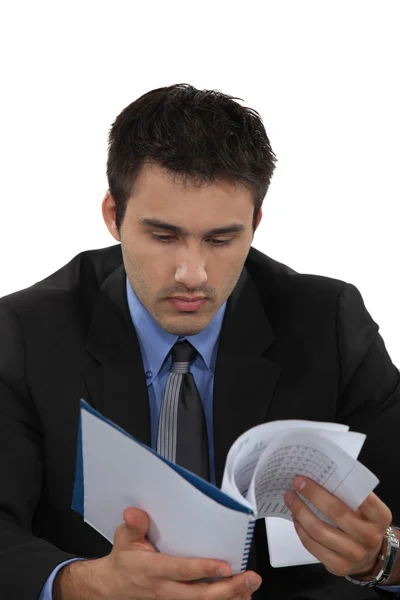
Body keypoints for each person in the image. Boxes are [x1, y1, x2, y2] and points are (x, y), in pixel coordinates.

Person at [0, 83, 399, 600]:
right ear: (113, 217)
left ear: (255, 224)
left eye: (221, 239)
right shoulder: (24, 333)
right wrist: (86, 585)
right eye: (164, 237)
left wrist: (381, 559)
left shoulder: (329, 322)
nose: (193, 274)